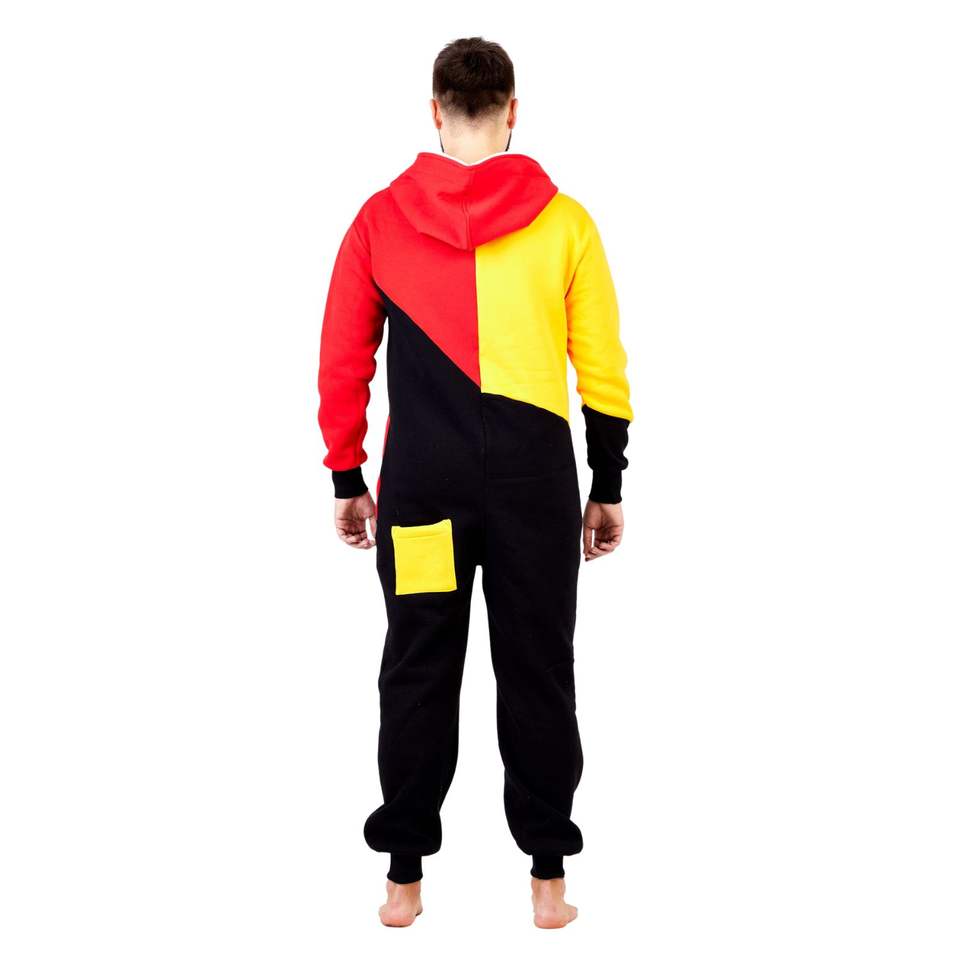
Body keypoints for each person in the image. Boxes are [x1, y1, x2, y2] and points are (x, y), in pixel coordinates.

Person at [317, 37, 631, 928]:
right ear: (513, 112)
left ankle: (403, 882)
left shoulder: (380, 221)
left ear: (435, 111)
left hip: (423, 491)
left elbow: (342, 357)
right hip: (536, 492)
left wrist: (347, 472)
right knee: (539, 669)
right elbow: (602, 367)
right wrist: (606, 483)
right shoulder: (565, 223)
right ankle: (548, 884)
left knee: (418, 667)